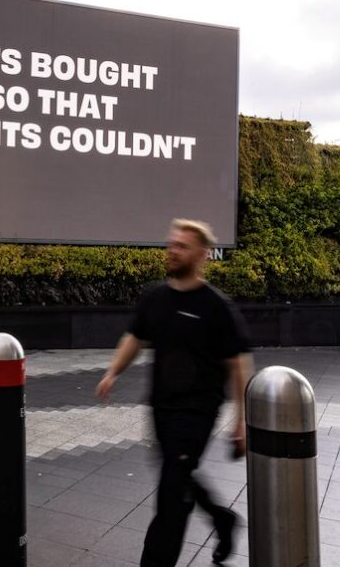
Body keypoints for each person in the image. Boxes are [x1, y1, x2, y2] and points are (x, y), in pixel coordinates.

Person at [96, 219, 251, 567]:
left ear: (202, 254)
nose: (173, 251)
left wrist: (240, 421)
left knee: (171, 496)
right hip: (161, 407)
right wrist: (112, 372)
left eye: (182, 246)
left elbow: (238, 364)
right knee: (176, 476)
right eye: (172, 244)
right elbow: (135, 338)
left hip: (197, 411)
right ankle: (221, 519)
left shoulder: (216, 307)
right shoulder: (155, 297)